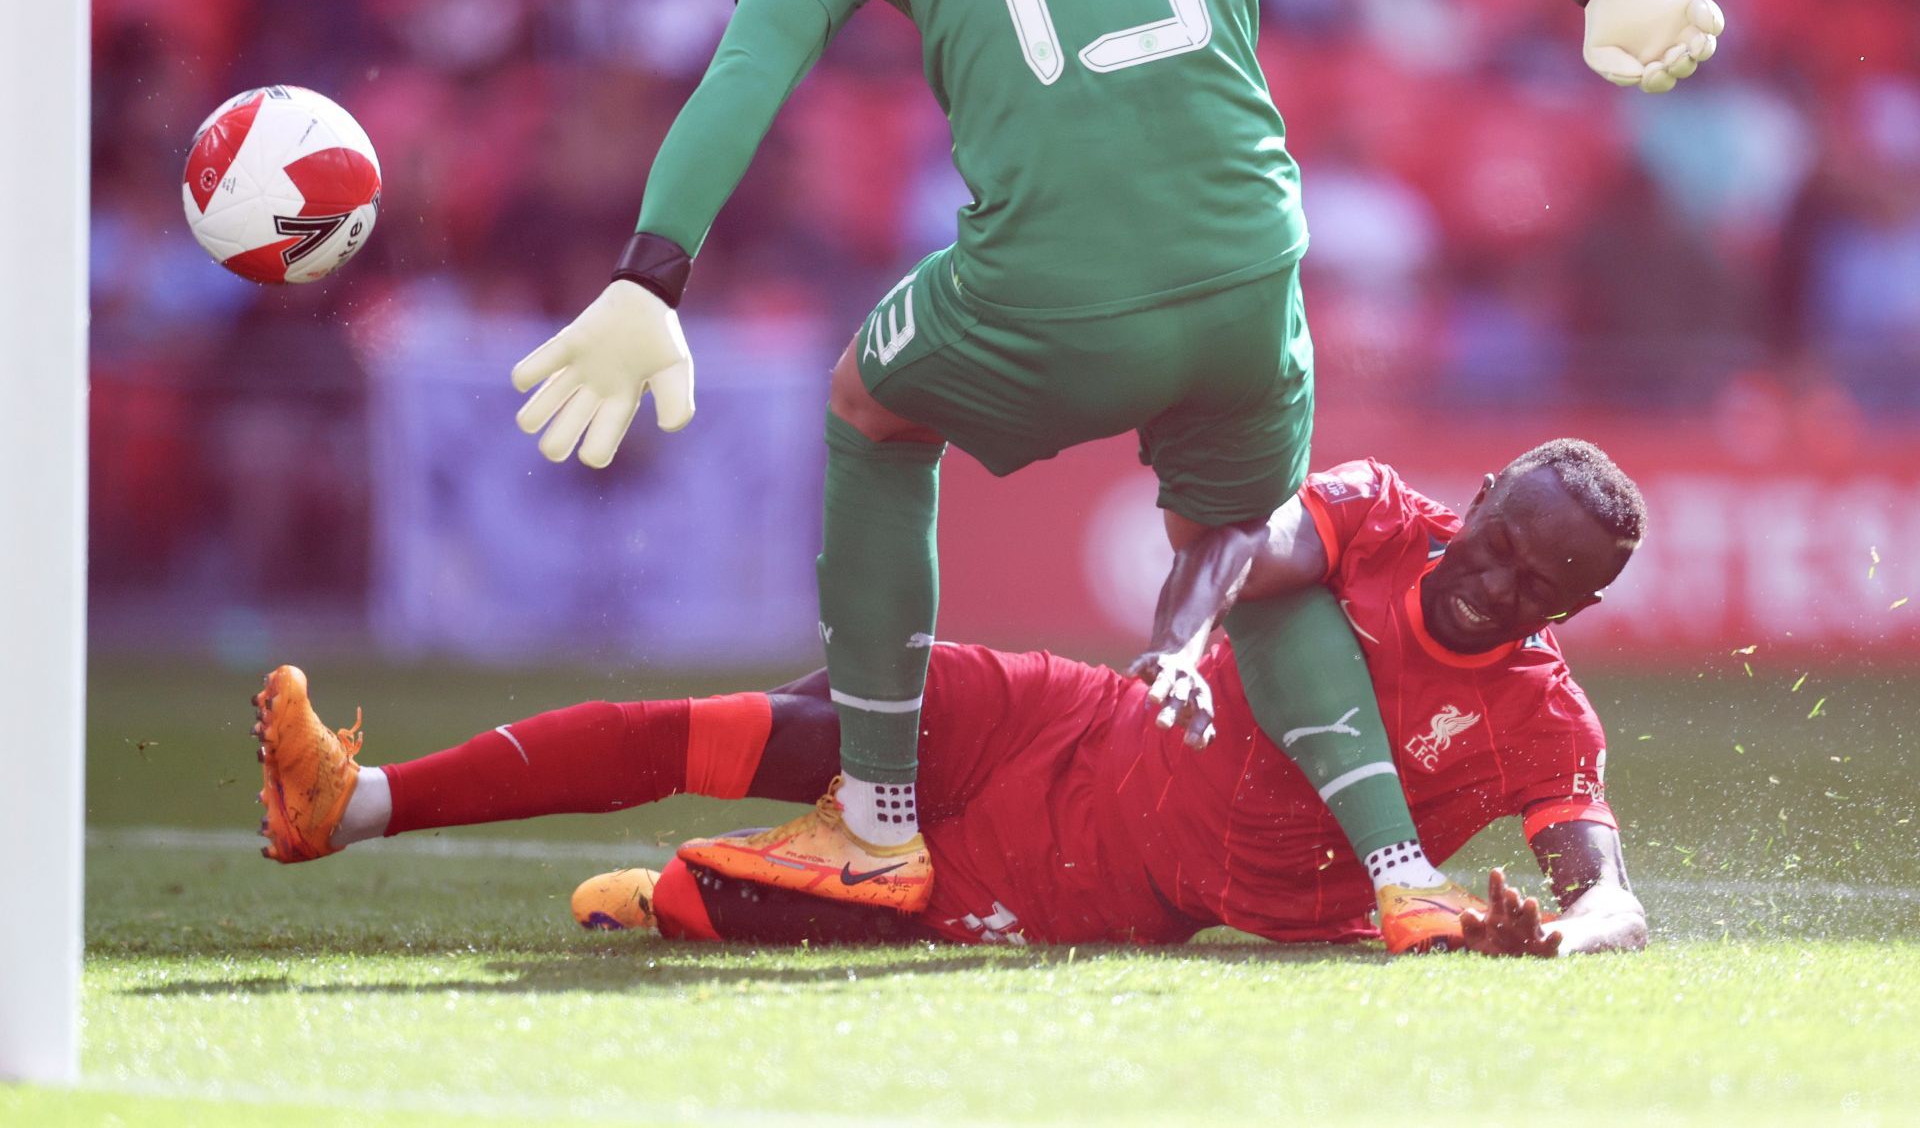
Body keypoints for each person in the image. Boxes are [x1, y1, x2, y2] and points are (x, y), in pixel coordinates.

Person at [506, 0, 1716, 926]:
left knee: (871, 409)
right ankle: (1402, 881)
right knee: (1246, 532)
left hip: (1051, 281)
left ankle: (876, 825)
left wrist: (649, 276)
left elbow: (749, 70)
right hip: (1250, 263)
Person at [256, 438, 1648, 956]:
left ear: (1575, 611)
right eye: (1499, 535)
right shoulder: (1378, 509)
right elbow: (1245, 546)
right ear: (1473, 500)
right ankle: (357, 801)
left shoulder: (1543, 720)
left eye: (1538, 579)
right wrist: (1180, 635)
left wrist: (1576, 925)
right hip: (1072, 715)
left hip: (1088, 876)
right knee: (773, 720)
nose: (1494, 578)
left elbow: (1601, 878)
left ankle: (691, 895)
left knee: (690, 904)